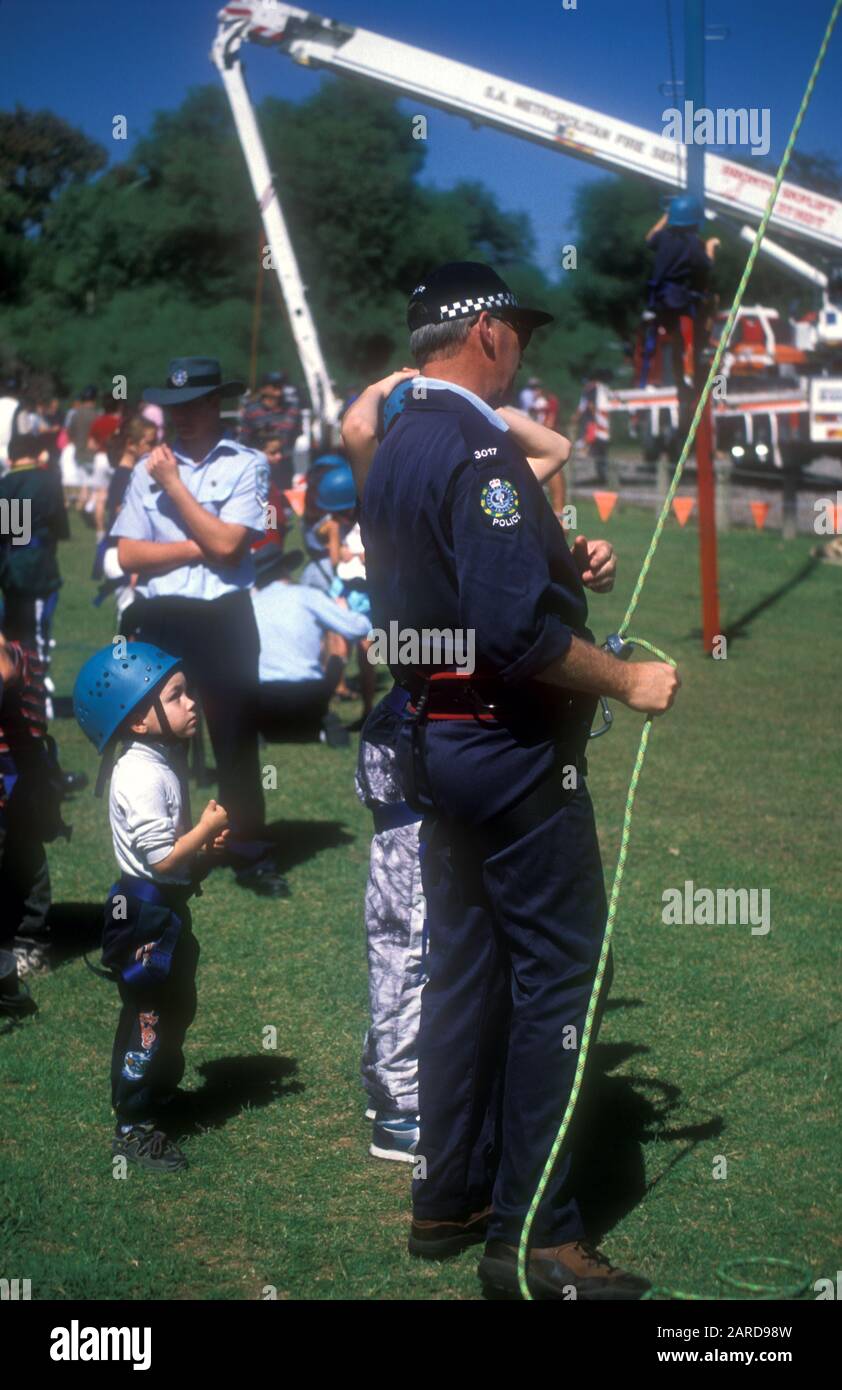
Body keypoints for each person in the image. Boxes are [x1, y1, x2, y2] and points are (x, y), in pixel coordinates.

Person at [360, 261, 680, 1300]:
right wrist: (627, 677)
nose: (523, 353)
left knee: (464, 971)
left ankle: (445, 1195)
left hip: (433, 743)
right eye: (520, 333)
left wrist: (550, 556)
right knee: (556, 977)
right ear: (486, 332)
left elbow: (453, 589)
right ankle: (538, 1238)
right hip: (507, 753)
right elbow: (510, 634)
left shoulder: (399, 439)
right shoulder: (478, 445)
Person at [343, 366, 575, 1165]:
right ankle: (400, 1105)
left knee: (452, 934)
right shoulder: (384, 497)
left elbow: (552, 452)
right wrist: (416, 385)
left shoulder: (453, 473)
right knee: (407, 932)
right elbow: (354, 432)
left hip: (452, 731)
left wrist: (471, 402)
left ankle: (440, 1104)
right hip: (419, 729)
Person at [110, 356, 287, 899]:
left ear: (215, 404)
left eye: (190, 406)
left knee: (236, 739)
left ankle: (249, 851)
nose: (178, 417)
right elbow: (127, 552)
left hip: (223, 617)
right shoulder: (145, 469)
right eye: (171, 407)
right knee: (159, 739)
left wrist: (174, 486)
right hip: (161, 614)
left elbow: (233, 545)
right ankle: (174, 845)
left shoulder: (246, 464)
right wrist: (197, 544)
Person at [73, 642, 230, 1172]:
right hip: (143, 916)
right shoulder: (139, 773)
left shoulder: (158, 760)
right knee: (148, 1017)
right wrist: (204, 831)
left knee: (175, 1006)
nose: (192, 703)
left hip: (164, 913)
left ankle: (159, 1093)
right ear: (139, 721)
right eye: (176, 695)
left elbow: (174, 856)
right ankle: (133, 1126)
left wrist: (204, 850)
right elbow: (161, 860)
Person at [0, 627, 68, 982]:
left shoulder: (15, 654)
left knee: (24, 858)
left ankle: (32, 940)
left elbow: (6, 671)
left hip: (21, 779)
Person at [250, 545, 370, 743]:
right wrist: (346, 610)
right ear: (284, 570)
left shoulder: (251, 603)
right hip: (309, 694)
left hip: (263, 696)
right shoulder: (305, 595)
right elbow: (358, 628)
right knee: (336, 657)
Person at [641, 196, 719, 422]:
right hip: (680, 300)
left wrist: (667, 213)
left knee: (674, 343)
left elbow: (649, 239)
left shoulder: (663, 237)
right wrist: (711, 246)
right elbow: (708, 265)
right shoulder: (693, 244)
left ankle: (679, 379)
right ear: (695, 223)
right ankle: (695, 372)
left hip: (659, 299)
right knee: (698, 330)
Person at [0, 433, 69, 668]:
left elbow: (10, 533)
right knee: (37, 634)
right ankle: (37, 693)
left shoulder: (5, 484)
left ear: (10, 458)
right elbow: (61, 529)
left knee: (13, 632)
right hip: (39, 566)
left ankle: (17, 688)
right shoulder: (49, 481)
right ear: (38, 455)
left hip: (10, 568)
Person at [239, 371, 301, 488]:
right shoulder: (252, 412)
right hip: (259, 468)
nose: (279, 387)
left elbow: (296, 434)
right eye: (273, 384)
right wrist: (263, 455)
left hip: (285, 467)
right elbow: (244, 442)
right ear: (263, 389)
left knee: (282, 501)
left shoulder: (293, 410)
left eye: (280, 384)